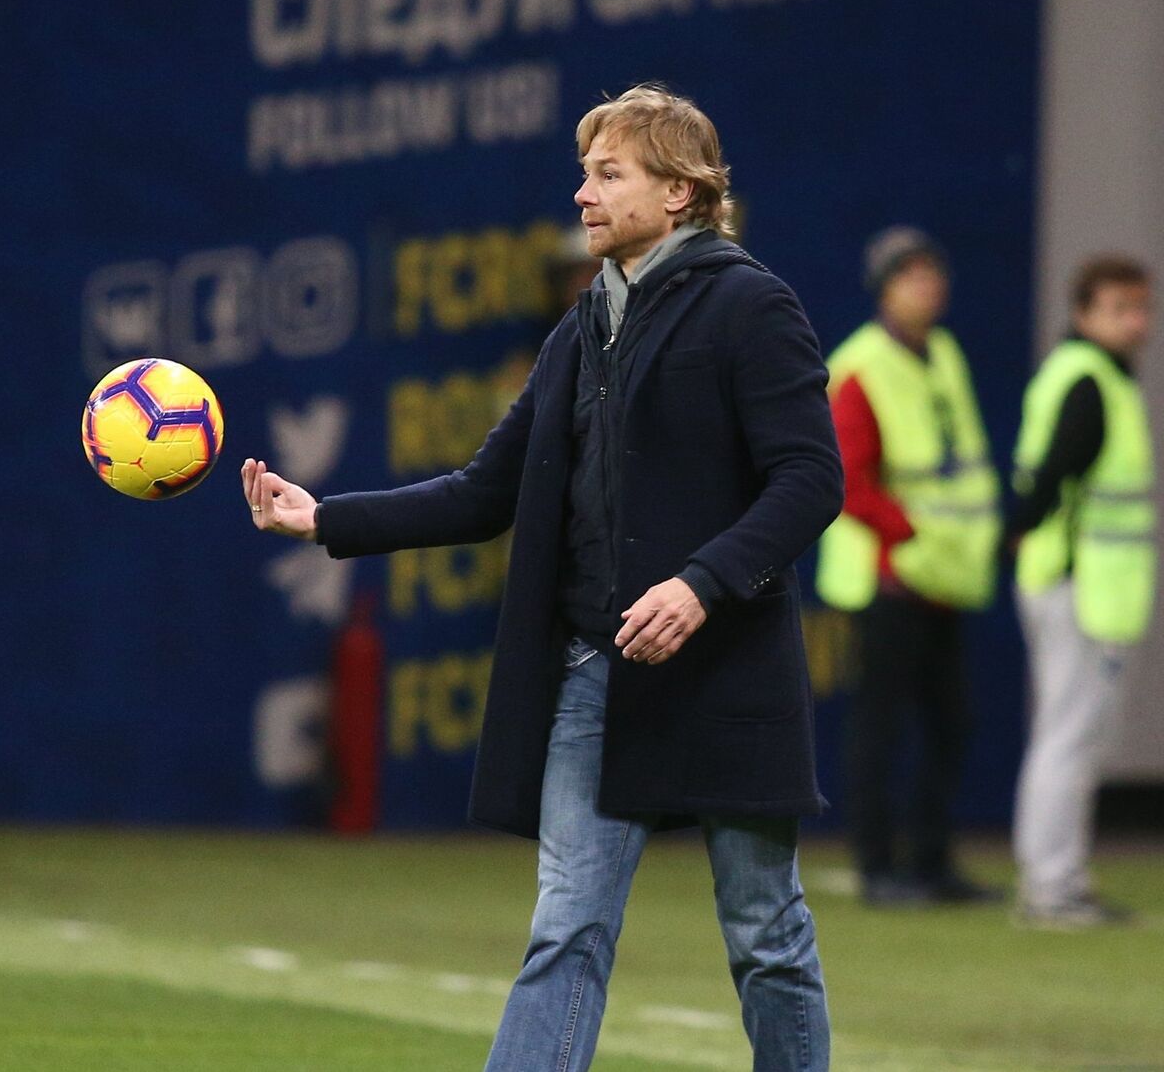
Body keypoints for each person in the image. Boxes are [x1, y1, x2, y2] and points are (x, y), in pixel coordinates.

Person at [245, 84, 840, 1071]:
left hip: (728, 670)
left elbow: (811, 478)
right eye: (585, 172)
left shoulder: (751, 304)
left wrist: (700, 583)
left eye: (610, 174)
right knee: (566, 927)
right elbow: (487, 490)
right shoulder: (582, 327)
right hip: (597, 672)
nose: (583, 195)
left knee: (765, 933)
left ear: (683, 193)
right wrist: (326, 518)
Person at [814, 226, 1002, 906]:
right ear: (884, 288)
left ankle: (930, 860)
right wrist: (908, 534)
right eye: (910, 276)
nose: (927, 287)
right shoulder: (861, 365)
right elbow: (846, 476)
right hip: (887, 574)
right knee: (881, 723)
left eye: (932, 274)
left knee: (952, 721)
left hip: (941, 574)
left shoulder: (943, 351)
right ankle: (876, 864)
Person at [1008, 255, 1154, 929]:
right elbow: (1047, 481)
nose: (1138, 321)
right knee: (1068, 737)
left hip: (1086, 585)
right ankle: (1051, 884)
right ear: (1083, 311)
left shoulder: (1100, 379)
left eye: (1142, 307)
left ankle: (1059, 876)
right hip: (1076, 583)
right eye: (1122, 307)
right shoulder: (1091, 384)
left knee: (1073, 736)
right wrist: (1021, 536)